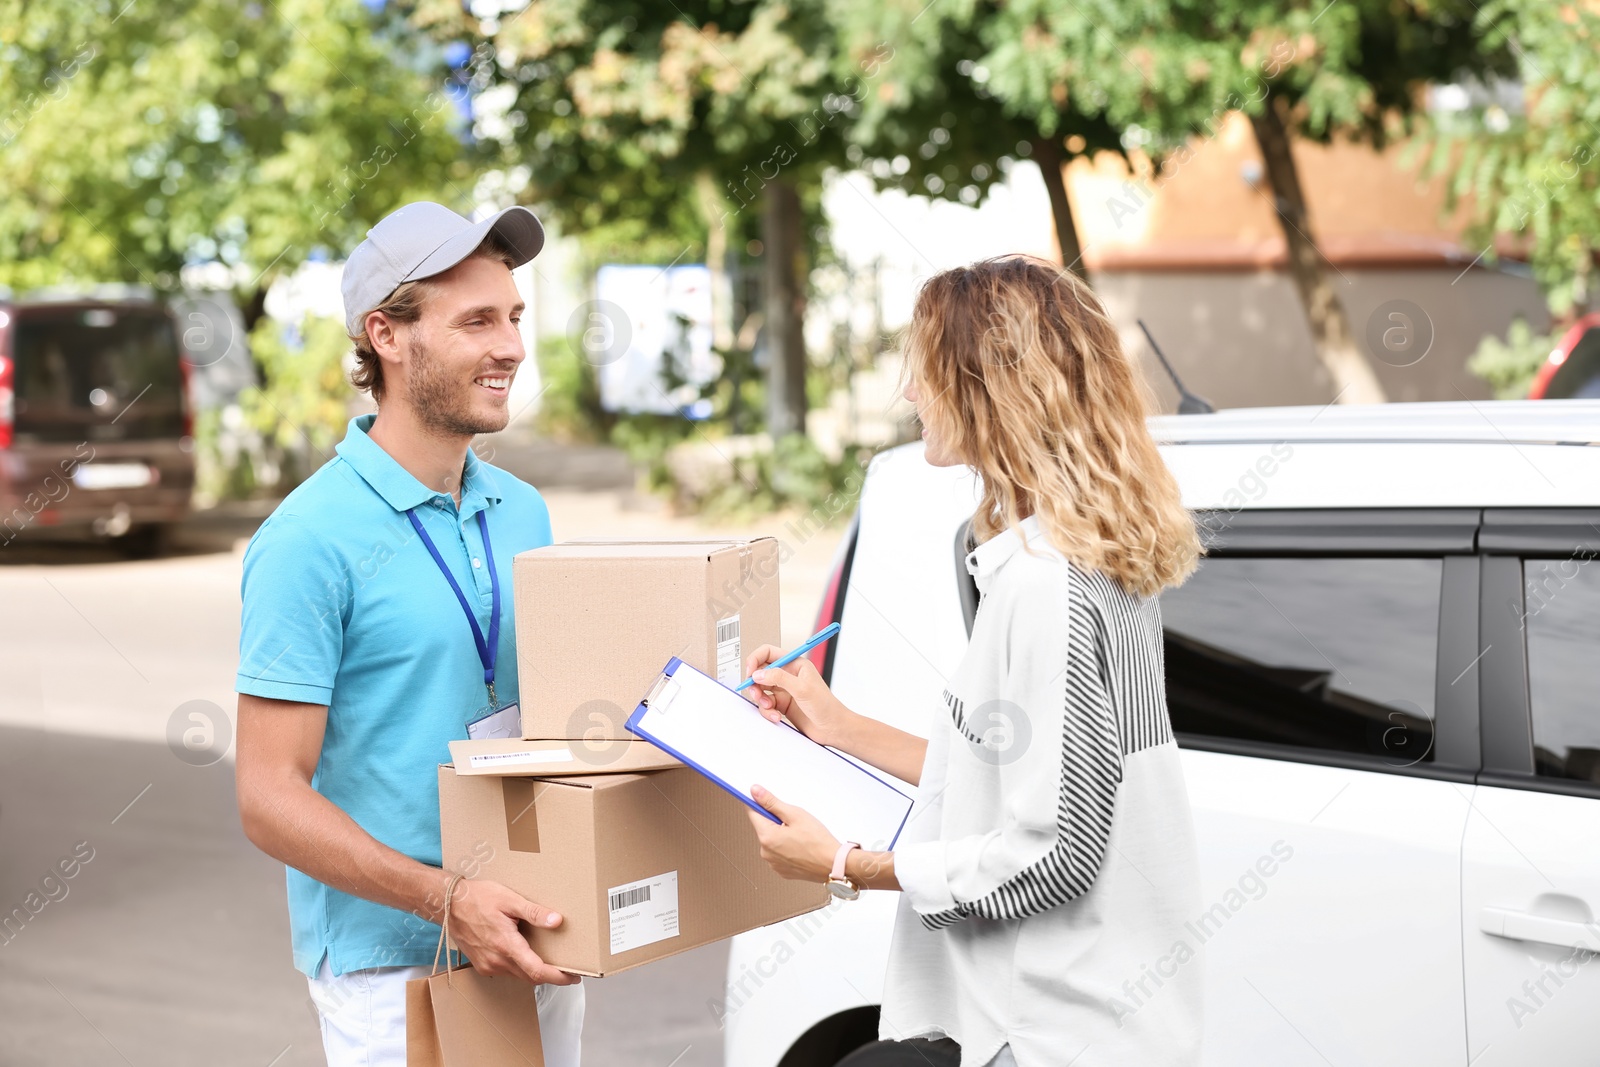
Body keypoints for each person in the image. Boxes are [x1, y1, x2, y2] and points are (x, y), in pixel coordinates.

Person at [742, 256, 1205, 1067]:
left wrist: (843, 866)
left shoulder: (1045, 587)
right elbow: (1028, 780)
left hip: (1050, 1033)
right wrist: (839, 724)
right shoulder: (1095, 563)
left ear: (987, 388)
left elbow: (1056, 852)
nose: (911, 395)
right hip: (1077, 1023)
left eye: (925, 372)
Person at [234, 202, 584, 1067]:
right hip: (395, 967)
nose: (510, 346)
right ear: (386, 335)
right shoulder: (308, 538)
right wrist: (448, 898)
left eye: (513, 317)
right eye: (476, 322)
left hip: (536, 932)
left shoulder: (524, 509)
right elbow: (268, 793)